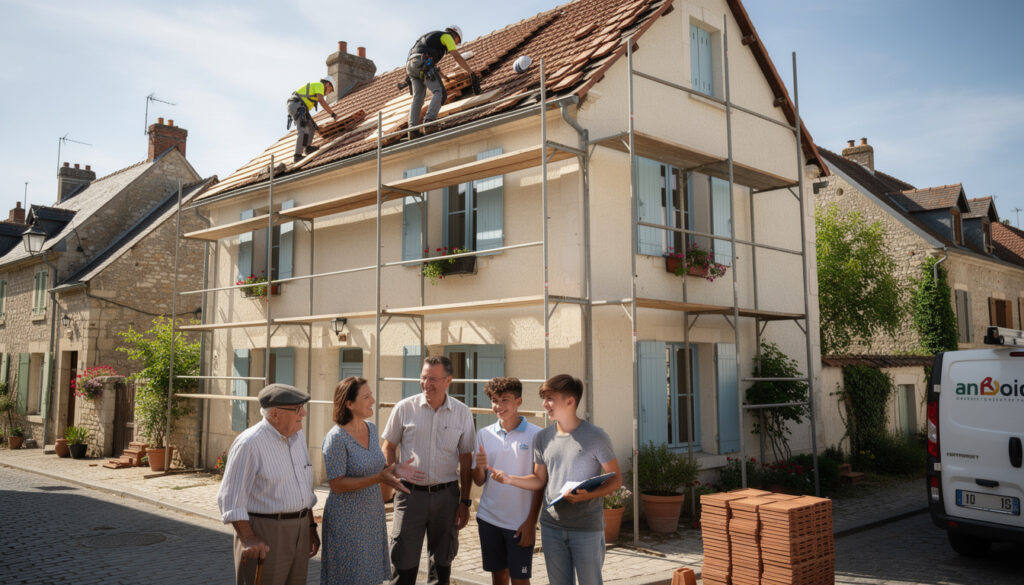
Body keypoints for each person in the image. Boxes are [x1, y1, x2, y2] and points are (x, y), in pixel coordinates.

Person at [488, 374, 622, 585]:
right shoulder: (542, 438)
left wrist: (588, 495)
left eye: (550, 398)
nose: (544, 404)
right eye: (544, 398)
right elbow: (539, 480)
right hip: (552, 528)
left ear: (570, 401)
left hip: (587, 528)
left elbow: (615, 480)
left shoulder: (597, 436)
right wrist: (509, 479)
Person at [321, 377, 426, 585]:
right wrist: (379, 477)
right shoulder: (336, 438)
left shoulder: (371, 428)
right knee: (349, 579)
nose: (373, 400)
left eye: (371, 395)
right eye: (366, 397)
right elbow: (337, 484)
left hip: (371, 518)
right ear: (349, 404)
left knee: (370, 579)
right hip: (346, 522)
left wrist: (393, 470)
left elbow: (376, 468)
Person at [381, 355, 476, 585]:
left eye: (433, 379)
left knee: (442, 567)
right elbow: (388, 446)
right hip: (410, 496)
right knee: (403, 565)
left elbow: (466, 458)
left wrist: (465, 502)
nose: (426, 384)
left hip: (447, 498)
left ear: (448, 381)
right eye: (423, 378)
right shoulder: (404, 408)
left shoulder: (462, 413)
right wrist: (394, 477)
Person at [217, 383, 321, 585]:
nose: (304, 413)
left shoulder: (297, 437)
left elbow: (304, 490)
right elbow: (230, 498)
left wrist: (310, 527)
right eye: (297, 409)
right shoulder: (249, 443)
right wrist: (248, 538)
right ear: (275, 414)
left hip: (300, 530)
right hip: (266, 532)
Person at [472, 377, 543, 585]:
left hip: (519, 524)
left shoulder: (537, 435)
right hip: (488, 519)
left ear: (518, 401)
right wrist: (479, 466)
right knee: (498, 578)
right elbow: (478, 481)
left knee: (520, 580)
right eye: (495, 400)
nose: (499, 406)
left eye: (505, 400)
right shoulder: (484, 434)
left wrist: (531, 522)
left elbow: (540, 483)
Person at [406, 26, 475, 138]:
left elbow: (431, 60)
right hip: (422, 62)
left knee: (418, 97)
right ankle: (429, 122)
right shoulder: (447, 37)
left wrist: (443, 75)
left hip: (411, 65)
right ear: (455, 36)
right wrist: (470, 71)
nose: (456, 44)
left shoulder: (434, 38)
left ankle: (412, 130)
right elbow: (457, 56)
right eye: (457, 41)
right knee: (440, 92)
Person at [287, 75, 338, 162]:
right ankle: (297, 155)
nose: (329, 93)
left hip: (300, 107)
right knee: (303, 129)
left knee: (312, 127)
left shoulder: (318, 87)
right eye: (330, 90)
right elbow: (321, 100)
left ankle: (307, 147)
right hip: (296, 105)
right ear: (327, 84)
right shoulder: (320, 86)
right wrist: (332, 114)